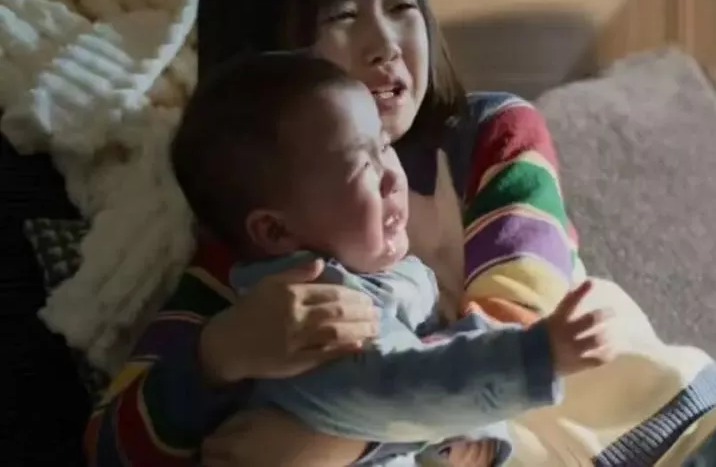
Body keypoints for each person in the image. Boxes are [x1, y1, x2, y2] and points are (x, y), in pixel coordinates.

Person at [85, 0, 716, 466]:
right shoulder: (250, 265)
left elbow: (523, 311)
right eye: (341, 19)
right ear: (262, 64)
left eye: (402, 7)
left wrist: (327, 431)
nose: (386, 46)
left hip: (661, 428)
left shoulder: (490, 137)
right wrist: (222, 355)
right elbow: (112, 446)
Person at [168, 51, 615, 466]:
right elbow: (402, 390)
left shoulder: (377, 269)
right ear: (275, 231)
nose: (391, 178)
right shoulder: (309, 313)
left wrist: (473, 430)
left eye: (383, 146)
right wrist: (539, 356)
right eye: (361, 167)